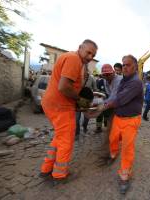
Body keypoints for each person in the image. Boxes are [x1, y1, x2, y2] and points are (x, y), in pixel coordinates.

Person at [39, 39, 98, 182]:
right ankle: (59, 174)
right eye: (88, 52)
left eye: (93, 54)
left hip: (54, 103)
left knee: (59, 137)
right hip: (61, 106)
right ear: (80, 48)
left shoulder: (74, 59)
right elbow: (64, 87)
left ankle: (46, 169)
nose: (90, 57)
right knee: (66, 140)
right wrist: (79, 100)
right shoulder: (74, 59)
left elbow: (67, 85)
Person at [103, 55, 143, 194]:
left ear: (135, 67)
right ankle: (113, 154)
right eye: (123, 64)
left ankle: (124, 176)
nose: (124, 67)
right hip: (119, 118)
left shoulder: (136, 82)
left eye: (128, 65)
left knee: (127, 148)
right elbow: (114, 95)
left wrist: (103, 106)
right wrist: (104, 102)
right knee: (113, 139)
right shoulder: (123, 81)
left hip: (131, 120)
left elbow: (120, 99)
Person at [95, 64, 122, 162]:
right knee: (110, 129)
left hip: (122, 107)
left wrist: (103, 105)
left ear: (113, 73)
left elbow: (114, 96)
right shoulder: (106, 81)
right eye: (104, 75)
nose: (106, 77)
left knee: (114, 130)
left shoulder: (119, 80)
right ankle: (109, 149)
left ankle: (111, 151)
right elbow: (108, 95)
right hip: (113, 106)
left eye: (108, 75)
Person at [75, 68, 97, 138]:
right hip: (77, 102)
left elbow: (95, 88)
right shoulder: (78, 78)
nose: (85, 74)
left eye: (86, 73)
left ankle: (85, 126)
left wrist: (93, 96)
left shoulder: (92, 78)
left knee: (86, 117)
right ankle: (77, 132)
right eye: (84, 73)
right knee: (76, 119)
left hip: (87, 102)